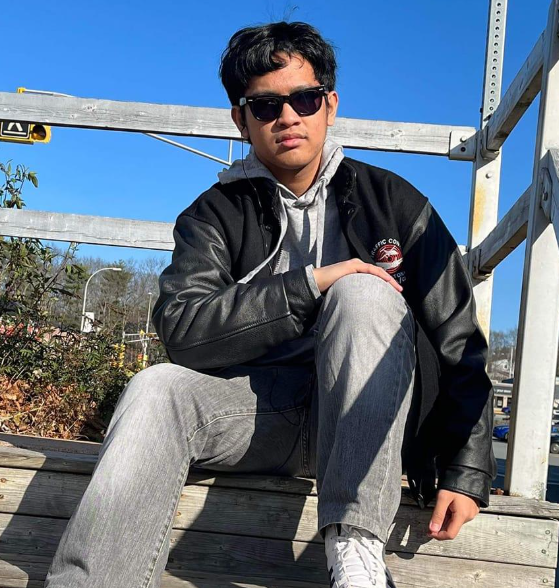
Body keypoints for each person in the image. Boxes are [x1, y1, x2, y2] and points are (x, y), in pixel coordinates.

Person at [44, 21, 496, 588]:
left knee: (363, 291)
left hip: (375, 426)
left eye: (304, 99)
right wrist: (308, 286)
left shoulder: (395, 202)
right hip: (261, 419)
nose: (288, 117)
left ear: (330, 105)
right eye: (265, 106)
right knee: (155, 387)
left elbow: (460, 341)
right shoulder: (214, 214)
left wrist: (467, 468)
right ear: (242, 120)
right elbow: (184, 329)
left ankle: (356, 551)